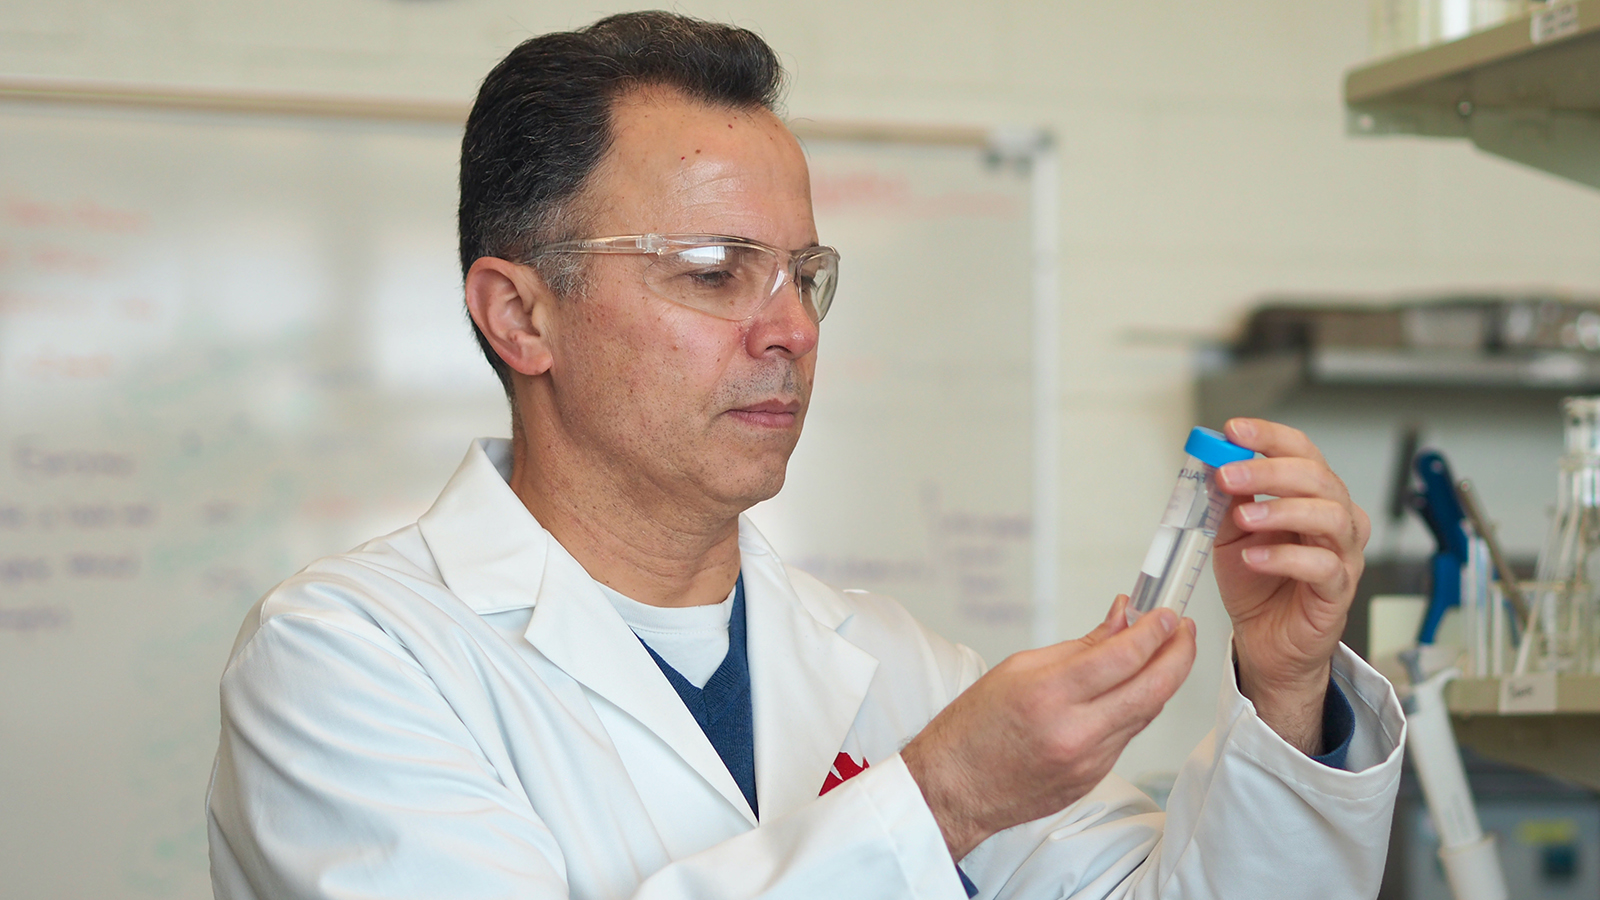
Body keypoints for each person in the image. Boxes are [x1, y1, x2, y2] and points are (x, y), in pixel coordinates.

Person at [206, 11, 1404, 900]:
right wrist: (936, 801)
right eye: (713, 271)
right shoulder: (348, 658)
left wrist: (1288, 692)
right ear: (521, 315)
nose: (786, 328)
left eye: (805, 276)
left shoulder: (894, 664)